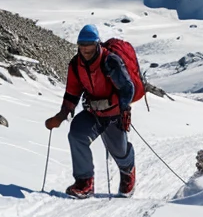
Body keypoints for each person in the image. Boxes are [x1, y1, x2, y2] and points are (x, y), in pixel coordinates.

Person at [45, 24, 136, 197]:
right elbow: (72, 92)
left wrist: (124, 109)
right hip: (93, 113)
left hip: (114, 114)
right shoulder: (75, 64)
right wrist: (61, 115)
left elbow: (127, 87)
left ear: (97, 44)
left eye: (89, 45)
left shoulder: (110, 61)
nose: (85, 49)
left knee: (119, 151)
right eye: (82, 45)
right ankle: (84, 182)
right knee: (77, 135)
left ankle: (128, 171)